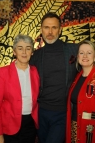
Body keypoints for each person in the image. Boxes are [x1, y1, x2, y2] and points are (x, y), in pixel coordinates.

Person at [29, 12, 78, 143]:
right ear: (41, 30)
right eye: (46, 27)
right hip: (41, 113)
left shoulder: (74, 50)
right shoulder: (35, 55)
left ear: (60, 30)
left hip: (63, 113)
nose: (50, 31)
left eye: (54, 27)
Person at [0, 34, 40, 143]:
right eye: (20, 48)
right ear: (14, 51)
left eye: (28, 48)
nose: (24, 52)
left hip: (30, 125)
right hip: (9, 126)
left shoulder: (35, 72)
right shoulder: (2, 73)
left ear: (32, 52)